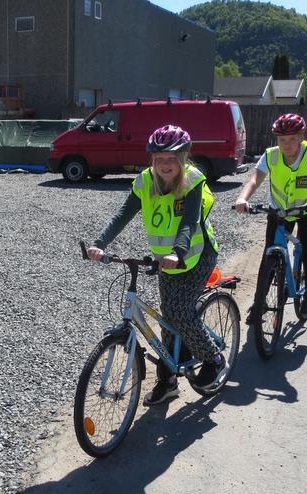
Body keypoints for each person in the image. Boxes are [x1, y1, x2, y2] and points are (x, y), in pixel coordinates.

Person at [86, 124, 224, 406]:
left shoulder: (192, 181)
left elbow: (189, 223)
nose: (165, 164)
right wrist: (100, 244)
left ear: (183, 157)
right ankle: (169, 380)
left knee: (179, 311)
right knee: (167, 318)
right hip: (167, 260)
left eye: (171, 158)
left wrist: (178, 252)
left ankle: (214, 358)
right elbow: (123, 214)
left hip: (196, 255)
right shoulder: (145, 181)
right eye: (159, 158)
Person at [234, 113, 307, 322]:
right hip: (280, 209)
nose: (287, 144)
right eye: (281, 139)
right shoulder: (271, 155)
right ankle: (260, 302)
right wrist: (243, 198)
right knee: (270, 251)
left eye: (292, 139)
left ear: (301, 137)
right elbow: (254, 179)